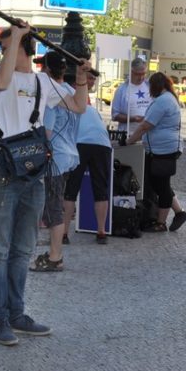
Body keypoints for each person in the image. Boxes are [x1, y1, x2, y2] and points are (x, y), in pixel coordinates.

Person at [0, 24, 89, 346]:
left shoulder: (43, 81)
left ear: (27, 49)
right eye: (4, 47)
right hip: (1, 170)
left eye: (9, 47)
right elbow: (2, 83)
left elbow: (78, 106)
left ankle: (17, 313)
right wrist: (15, 36)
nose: (4, 53)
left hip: (33, 172)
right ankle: (0, 317)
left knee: (23, 249)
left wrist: (81, 78)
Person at [32, 52, 85, 271]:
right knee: (57, 204)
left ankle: (55, 256)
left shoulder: (51, 96)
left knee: (53, 207)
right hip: (70, 155)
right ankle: (55, 253)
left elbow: (47, 131)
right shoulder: (71, 92)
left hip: (55, 157)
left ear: (45, 69)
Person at [61, 71, 113, 247]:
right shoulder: (91, 109)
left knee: (71, 190)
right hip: (102, 145)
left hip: (80, 143)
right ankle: (101, 232)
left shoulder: (68, 102)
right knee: (101, 190)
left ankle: (64, 233)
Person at [127, 73, 182, 232]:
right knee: (160, 184)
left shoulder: (163, 101)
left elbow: (146, 126)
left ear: (156, 85)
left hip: (163, 150)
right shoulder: (168, 98)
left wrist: (129, 141)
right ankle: (177, 213)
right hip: (164, 148)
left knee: (161, 186)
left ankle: (161, 223)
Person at [111, 58, 151, 134]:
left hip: (147, 135)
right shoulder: (121, 90)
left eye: (143, 74)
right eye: (138, 74)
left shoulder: (150, 86)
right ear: (131, 72)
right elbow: (115, 115)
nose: (141, 77)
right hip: (127, 134)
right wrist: (133, 119)